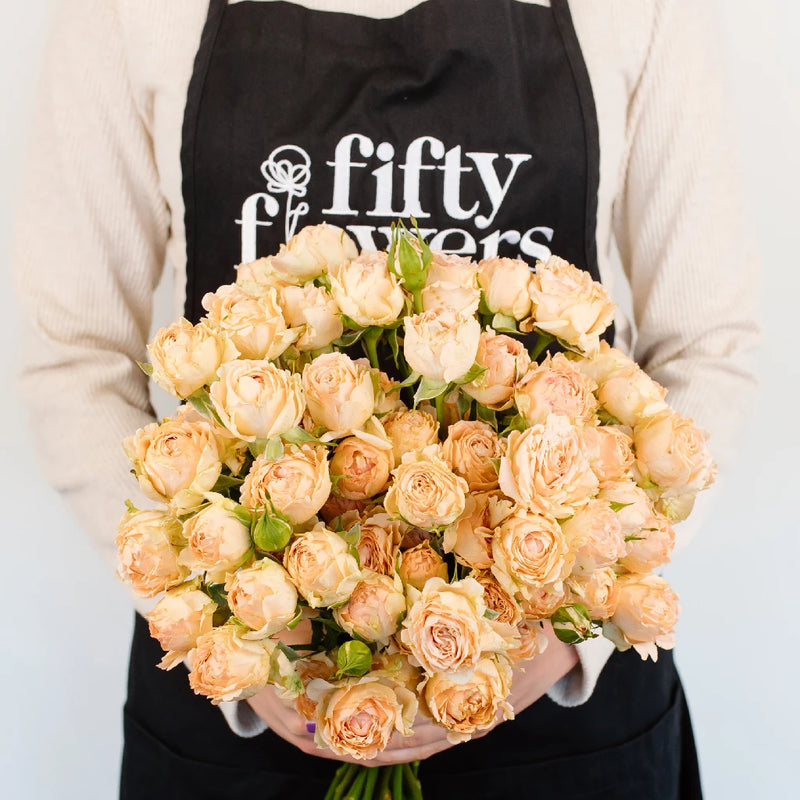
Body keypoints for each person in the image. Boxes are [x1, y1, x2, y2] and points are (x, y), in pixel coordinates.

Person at [12, 1, 760, 798]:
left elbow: (707, 346)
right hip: (245, 716)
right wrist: (240, 630)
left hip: (559, 716)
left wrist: (568, 635)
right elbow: (76, 354)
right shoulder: (128, 15)